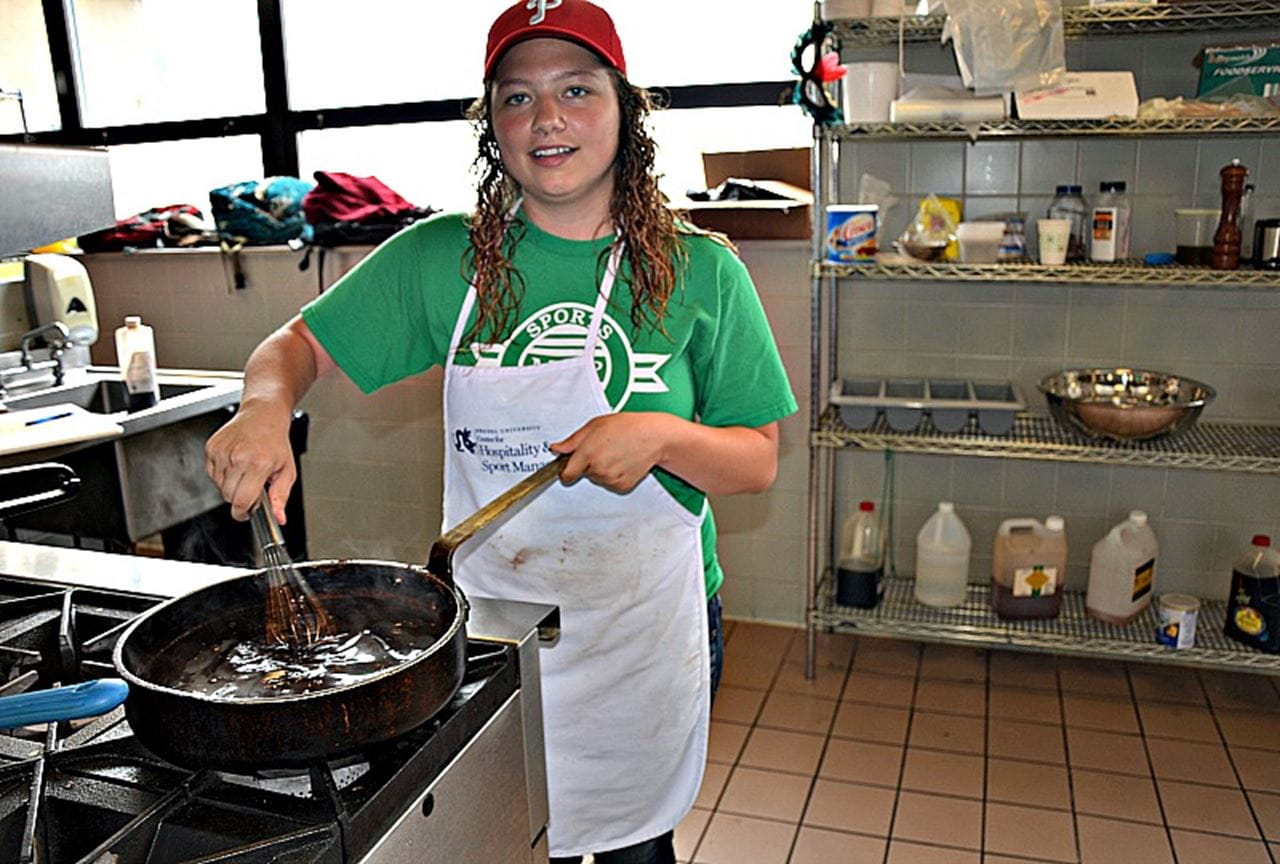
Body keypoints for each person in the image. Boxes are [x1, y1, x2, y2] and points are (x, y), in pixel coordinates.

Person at [203, 1, 797, 861]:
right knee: (507, 836)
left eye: (577, 89)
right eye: (516, 98)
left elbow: (756, 463)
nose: (547, 117)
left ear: (627, 111)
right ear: (493, 127)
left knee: (635, 847)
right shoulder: (442, 258)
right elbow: (292, 348)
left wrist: (664, 437)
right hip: (493, 626)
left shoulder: (702, 269)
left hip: (647, 620)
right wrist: (264, 406)